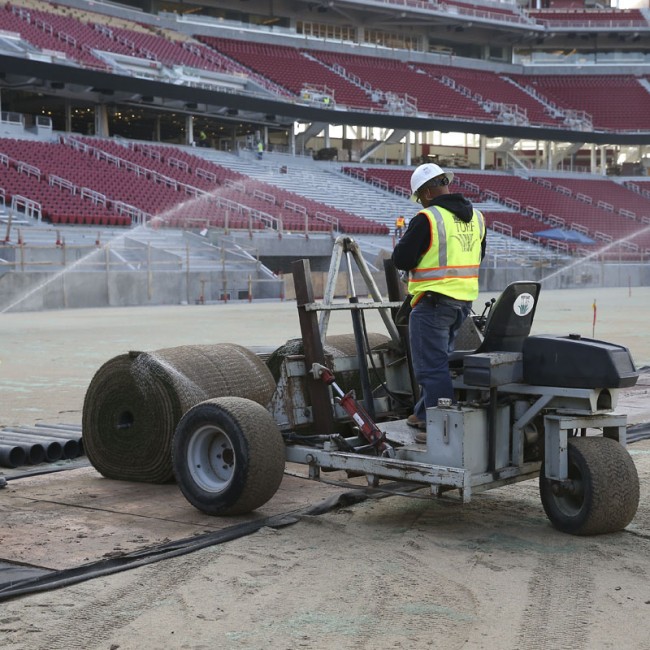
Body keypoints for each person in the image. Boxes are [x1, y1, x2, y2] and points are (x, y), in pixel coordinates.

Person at [391, 163, 486, 442]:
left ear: (427, 192)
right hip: (463, 302)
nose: (419, 201)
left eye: (419, 196)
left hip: (432, 303)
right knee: (440, 359)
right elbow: (479, 256)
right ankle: (423, 413)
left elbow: (402, 259)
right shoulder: (477, 217)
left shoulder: (428, 218)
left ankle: (441, 429)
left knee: (430, 366)